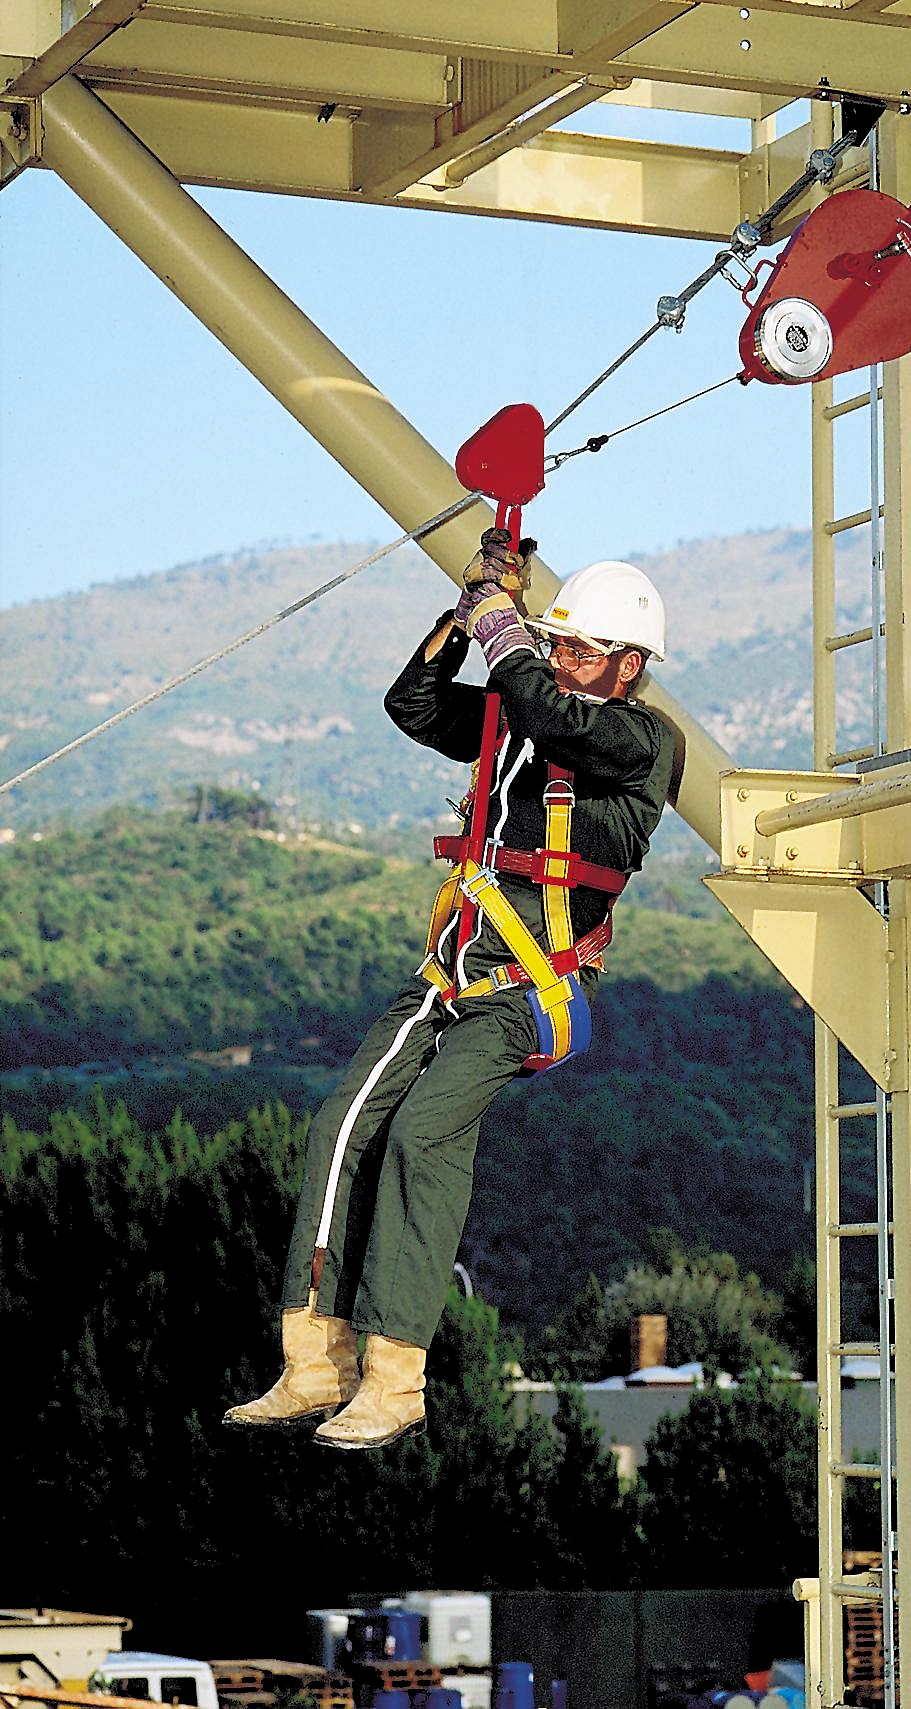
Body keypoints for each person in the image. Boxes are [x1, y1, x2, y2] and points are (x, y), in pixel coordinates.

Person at [223, 532, 674, 1450]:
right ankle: (315, 1360)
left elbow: (561, 722)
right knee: (341, 1125)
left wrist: (503, 627)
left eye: (577, 648)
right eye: (555, 644)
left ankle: (396, 1378)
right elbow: (414, 702)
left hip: (525, 988)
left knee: (423, 1135)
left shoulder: (640, 741)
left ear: (628, 666)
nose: (557, 657)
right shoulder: (522, 711)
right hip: (448, 968)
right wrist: (464, 614)